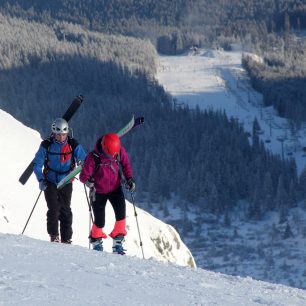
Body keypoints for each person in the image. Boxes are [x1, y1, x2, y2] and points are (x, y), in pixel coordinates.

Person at [79, 132, 135, 254]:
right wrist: (89, 182)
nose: (113, 156)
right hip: (98, 191)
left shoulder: (118, 151)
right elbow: (83, 176)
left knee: (121, 215)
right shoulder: (93, 157)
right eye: (111, 154)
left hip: (115, 188)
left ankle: (118, 242)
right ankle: (96, 240)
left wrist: (129, 179)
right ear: (104, 147)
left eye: (115, 153)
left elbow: (125, 165)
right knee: (100, 220)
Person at [33, 118, 86, 243]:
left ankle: (66, 238)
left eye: (63, 134)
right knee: (53, 209)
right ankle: (54, 235)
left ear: (67, 133)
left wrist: (84, 166)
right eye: (58, 134)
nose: (61, 137)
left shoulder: (73, 144)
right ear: (53, 133)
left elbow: (85, 159)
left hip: (67, 180)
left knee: (66, 210)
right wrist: (40, 179)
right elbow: (37, 163)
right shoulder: (47, 145)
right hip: (50, 181)